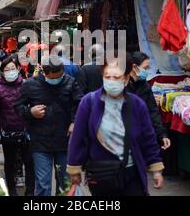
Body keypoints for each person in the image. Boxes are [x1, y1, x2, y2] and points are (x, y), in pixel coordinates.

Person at [67, 56, 164, 196]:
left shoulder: (137, 104)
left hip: (131, 172)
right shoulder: (89, 102)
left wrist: (156, 169)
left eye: (116, 77)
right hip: (101, 174)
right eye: (108, 76)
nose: (111, 81)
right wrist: (74, 169)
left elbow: (148, 138)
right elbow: (78, 138)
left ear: (125, 80)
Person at [15, 56, 83, 196]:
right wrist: (30, 112)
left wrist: (75, 122)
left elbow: (80, 105)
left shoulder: (70, 83)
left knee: (65, 183)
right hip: (40, 142)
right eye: (52, 78)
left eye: (59, 76)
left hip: (64, 141)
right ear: (44, 72)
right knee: (43, 184)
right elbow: (18, 107)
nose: (56, 80)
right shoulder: (30, 85)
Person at [0, 56, 35, 196]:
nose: (10, 72)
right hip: (8, 133)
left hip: (27, 132)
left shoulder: (27, 85)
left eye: (12, 69)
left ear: (18, 69)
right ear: (2, 72)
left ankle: (30, 192)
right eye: (6, 70)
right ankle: (12, 190)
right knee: (9, 163)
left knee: (29, 163)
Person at [127, 52, 171, 150]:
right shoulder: (122, 85)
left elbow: (153, 111)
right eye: (145, 68)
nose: (147, 71)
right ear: (134, 67)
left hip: (143, 134)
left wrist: (162, 135)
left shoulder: (145, 85)